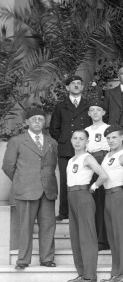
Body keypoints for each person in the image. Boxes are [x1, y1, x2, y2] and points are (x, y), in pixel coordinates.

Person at [2, 107, 58, 270]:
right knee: (25, 226)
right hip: (25, 190)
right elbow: (8, 166)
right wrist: (21, 180)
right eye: (34, 119)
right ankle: (23, 260)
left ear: (44, 122)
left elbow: (51, 165)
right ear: (27, 122)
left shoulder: (51, 142)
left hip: (47, 190)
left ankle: (47, 258)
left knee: (48, 225)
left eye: (41, 119)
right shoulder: (17, 141)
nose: (37, 122)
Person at [66, 129, 108, 282]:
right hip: (71, 196)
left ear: (87, 142)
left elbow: (103, 175)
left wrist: (94, 187)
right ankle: (82, 273)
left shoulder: (87, 158)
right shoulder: (71, 160)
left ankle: (90, 275)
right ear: (71, 140)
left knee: (87, 237)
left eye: (81, 139)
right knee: (75, 237)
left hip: (83, 195)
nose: (77, 141)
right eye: (75, 138)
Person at [50, 75, 92, 221]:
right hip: (66, 148)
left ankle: (84, 211)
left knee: (85, 179)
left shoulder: (89, 105)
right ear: (67, 87)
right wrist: (63, 140)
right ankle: (64, 212)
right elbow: (54, 128)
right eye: (73, 83)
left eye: (78, 83)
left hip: (85, 149)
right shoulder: (60, 106)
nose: (76, 85)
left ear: (82, 87)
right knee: (65, 180)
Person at [101, 125, 123, 282]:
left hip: (119, 194)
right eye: (108, 138)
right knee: (112, 236)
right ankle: (115, 273)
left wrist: (122, 189)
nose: (111, 140)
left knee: (120, 236)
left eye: (114, 137)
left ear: (122, 137)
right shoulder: (108, 155)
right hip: (108, 195)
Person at [86, 97, 111, 249]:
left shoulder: (108, 128)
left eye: (98, 110)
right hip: (90, 165)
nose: (95, 113)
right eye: (92, 110)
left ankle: (104, 239)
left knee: (103, 202)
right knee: (93, 202)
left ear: (104, 112)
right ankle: (94, 236)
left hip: (104, 163)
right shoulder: (86, 131)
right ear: (89, 113)